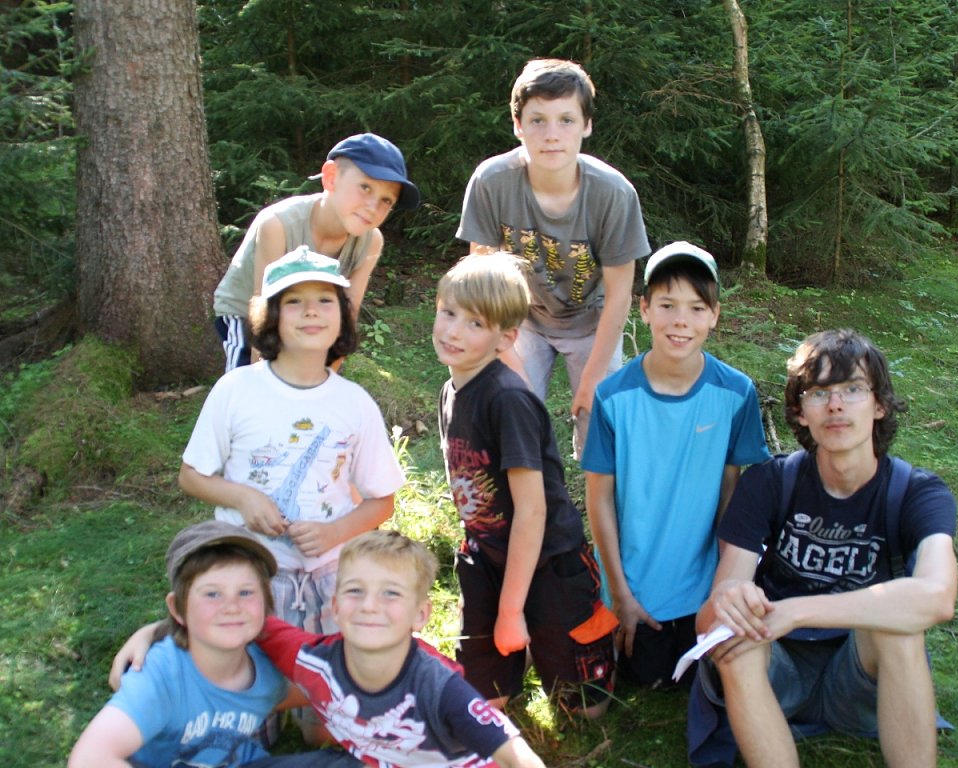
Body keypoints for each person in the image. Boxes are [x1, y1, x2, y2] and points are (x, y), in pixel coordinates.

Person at [689, 329, 958, 768]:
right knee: (732, 630)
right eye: (818, 392)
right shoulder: (770, 482)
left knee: (899, 624)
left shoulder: (917, 492)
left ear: (879, 405)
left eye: (852, 389)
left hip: (861, 676)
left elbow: (937, 596)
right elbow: (719, 602)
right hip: (775, 673)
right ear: (799, 413)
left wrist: (797, 611)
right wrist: (731, 599)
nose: (835, 405)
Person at [181, 245, 405, 742]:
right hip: (250, 578)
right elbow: (192, 476)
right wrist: (243, 498)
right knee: (246, 721)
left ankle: (314, 715)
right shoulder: (236, 390)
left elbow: (381, 500)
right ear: (271, 318)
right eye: (294, 301)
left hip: (329, 580)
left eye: (324, 300)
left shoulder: (354, 403)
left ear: (342, 316)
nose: (310, 312)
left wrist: (333, 532)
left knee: (326, 728)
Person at [110, 530, 548, 768]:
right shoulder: (310, 658)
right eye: (355, 591)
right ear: (335, 606)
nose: (370, 606)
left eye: (391, 594)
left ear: (420, 615)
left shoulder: (439, 687)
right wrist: (153, 630)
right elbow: (243, 617)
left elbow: (518, 758)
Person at [432, 252, 617, 718]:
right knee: (483, 702)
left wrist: (511, 610)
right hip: (487, 557)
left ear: (506, 338)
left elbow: (532, 513)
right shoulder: (451, 390)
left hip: (550, 562)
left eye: (475, 323)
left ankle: (542, 634)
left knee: (582, 709)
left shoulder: (508, 400)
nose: (454, 331)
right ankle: (519, 644)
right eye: (449, 312)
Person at [581, 241, 770, 690]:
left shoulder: (736, 393)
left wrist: (725, 586)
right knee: (646, 677)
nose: (680, 320)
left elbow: (731, 496)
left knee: (705, 679)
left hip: (703, 587)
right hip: (635, 586)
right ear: (644, 309)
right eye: (667, 305)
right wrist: (620, 594)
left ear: (714, 316)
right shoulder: (612, 396)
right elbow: (599, 499)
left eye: (696, 307)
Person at [456, 58, 651, 457]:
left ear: (587, 125)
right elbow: (482, 284)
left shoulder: (613, 193)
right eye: (537, 120)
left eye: (566, 120)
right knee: (507, 413)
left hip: (593, 322)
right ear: (517, 125)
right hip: (521, 319)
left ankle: (601, 491)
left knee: (602, 428)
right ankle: (519, 491)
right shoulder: (492, 181)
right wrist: (510, 366)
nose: (551, 135)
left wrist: (593, 380)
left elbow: (620, 294)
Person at [70, 521, 289, 768]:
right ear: (177, 609)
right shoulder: (162, 673)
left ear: (266, 601)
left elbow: (316, 687)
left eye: (246, 592)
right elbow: (88, 760)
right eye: (212, 594)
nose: (232, 607)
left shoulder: (270, 666)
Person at [214, 132, 420, 371]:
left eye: (386, 200)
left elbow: (345, 319)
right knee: (246, 381)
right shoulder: (277, 224)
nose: (373, 207)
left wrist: (327, 377)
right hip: (246, 314)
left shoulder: (371, 242)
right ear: (331, 177)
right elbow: (263, 314)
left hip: (307, 315)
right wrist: (261, 384)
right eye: (365, 187)